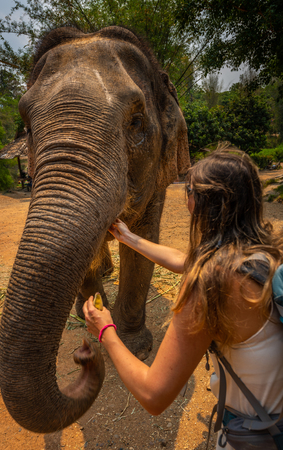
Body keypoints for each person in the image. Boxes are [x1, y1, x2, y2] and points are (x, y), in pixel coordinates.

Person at [83, 149, 283, 449]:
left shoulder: (210, 286)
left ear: (204, 204)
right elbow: (184, 259)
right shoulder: (264, 254)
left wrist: (105, 330)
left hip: (256, 434)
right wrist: (128, 237)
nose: (184, 198)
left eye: (188, 190)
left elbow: (154, 395)